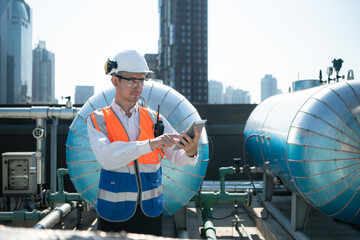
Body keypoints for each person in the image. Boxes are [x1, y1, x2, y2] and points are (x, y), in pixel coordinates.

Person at [86, 49, 202, 236]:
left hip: (151, 211)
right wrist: (150, 144)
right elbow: (107, 157)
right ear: (115, 81)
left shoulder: (156, 119)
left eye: (141, 80)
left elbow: (175, 156)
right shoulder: (98, 119)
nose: (138, 86)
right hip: (114, 213)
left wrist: (190, 152)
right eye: (131, 80)